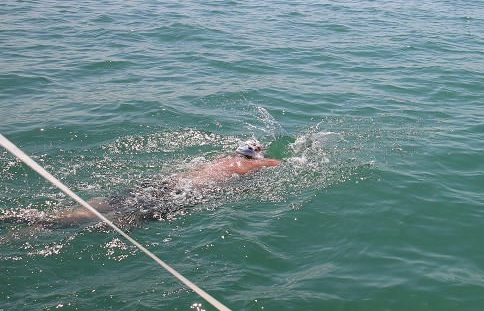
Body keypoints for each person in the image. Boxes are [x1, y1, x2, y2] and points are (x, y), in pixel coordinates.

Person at [4, 140, 280, 228]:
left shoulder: (221, 159)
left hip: (165, 183)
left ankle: (36, 218)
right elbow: (283, 163)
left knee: (109, 203)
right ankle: (44, 224)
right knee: (120, 221)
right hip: (183, 194)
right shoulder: (253, 164)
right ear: (256, 154)